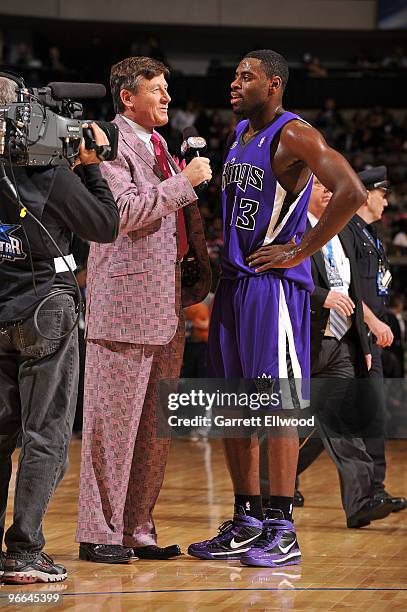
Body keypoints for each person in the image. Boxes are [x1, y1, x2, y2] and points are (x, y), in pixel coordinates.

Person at [188, 49, 367, 568]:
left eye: (247, 77)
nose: (235, 84)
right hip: (234, 286)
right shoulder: (239, 135)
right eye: (236, 75)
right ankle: (246, 520)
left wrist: (300, 249)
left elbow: (351, 189)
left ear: (275, 86)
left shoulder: (294, 134)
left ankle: (282, 527)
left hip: (274, 289)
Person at [76, 56, 212, 563]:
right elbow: (123, 213)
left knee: (155, 430)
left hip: (169, 301)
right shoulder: (108, 141)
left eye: (167, 89)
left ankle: (136, 528)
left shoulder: (162, 149)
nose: (167, 98)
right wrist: (186, 182)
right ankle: (99, 532)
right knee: (110, 428)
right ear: (128, 97)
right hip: (126, 304)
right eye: (157, 89)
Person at [0, 76, 119, 584]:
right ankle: (24, 551)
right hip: (45, 306)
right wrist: (92, 168)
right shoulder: (48, 172)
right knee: (44, 435)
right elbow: (105, 225)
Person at [293, 177, 394, 527]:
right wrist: (322, 297)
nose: (326, 190)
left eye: (329, 185)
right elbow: (280, 277)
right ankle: (269, 492)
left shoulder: (343, 232)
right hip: (303, 341)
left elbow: (353, 290)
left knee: (345, 424)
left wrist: (362, 344)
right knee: (289, 425)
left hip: (340, 344)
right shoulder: (292, 228)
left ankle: (362, 501)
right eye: (318, 184)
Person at [348, 166, 407, 512]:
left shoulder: (371, 235)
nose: (387, 201)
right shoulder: (349, 232)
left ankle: (375, 486)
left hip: (374, 331)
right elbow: (352, 289)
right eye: (382, 194)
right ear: (366, 194)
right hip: (360, 333)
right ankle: (374, 487)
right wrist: (370, 323)